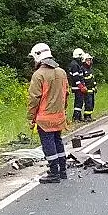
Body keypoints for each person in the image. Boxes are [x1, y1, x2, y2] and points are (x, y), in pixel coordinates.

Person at [28, 43, 69, 183]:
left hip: (44, 119)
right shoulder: (61, 72)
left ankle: (53, 173)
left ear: (38, 56)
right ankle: (62, 170)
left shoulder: (38, 75)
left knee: (48, 143)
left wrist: (31, 118)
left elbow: (34, 99)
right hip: (59, 116)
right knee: (58, 141)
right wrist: (64, 111)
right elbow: (66, 94)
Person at [68, 48, 86, 122]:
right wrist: (81, 86)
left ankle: (78, 116)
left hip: (78, 87)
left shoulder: (76, 64)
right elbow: (76, 78)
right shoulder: (75, 65)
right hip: (77, 87)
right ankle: (76, 117)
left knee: (80, 101)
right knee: (78, 102)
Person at [81, 53, 97, 122]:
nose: (89, 62)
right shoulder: (82, 69)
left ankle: (90, 116)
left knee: (92, 103)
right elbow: (82, 79)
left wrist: (95, 86)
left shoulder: (90, 69)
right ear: (84, 61)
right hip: (87, 90)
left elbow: (93, 79)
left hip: (92, 89)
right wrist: (84, 87)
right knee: (88, 104)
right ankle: (86, 117)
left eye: (89, 60)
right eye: (87, 60)